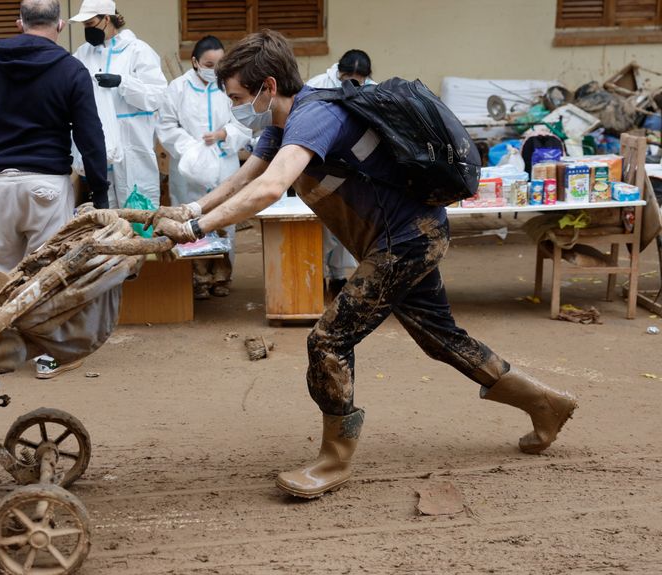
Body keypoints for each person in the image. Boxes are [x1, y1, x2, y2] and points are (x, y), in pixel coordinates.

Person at [153, 31, 578, 499]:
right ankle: (546, 404)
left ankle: (333, 460)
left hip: (406, 242)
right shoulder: (283, 118)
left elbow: (270, 189)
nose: (234, 105)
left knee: (329, 339)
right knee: (441, 338)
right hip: (404, 238)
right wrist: (193, 211)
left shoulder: (313, 116)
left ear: (267, 86)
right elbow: (248, 174)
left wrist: (197, 230)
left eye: (236, 96)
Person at [0, 0, 109, 379]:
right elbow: (90, 135)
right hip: (47, 185)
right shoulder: (71, 69)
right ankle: (49, 355)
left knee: (1, 270)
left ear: (20, 23)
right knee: (50, 271)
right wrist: (99, 191)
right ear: (59, 25)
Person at [156, 35, 251, 299]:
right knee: (190, 220)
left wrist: (223, 135)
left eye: (220, 64)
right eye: (210, 64)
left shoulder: (230, 85)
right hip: (188, 167)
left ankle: (222, 275)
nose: (215, 70)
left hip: (223, 163)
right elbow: (165, 126)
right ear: (196, 62)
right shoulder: (177, 88)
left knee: (224, 217)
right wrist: (192, 148)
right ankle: (198, 277)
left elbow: (243, 121)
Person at [70, 0, 168, 208]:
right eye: (84, 25)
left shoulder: (137, 51)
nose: (87, 30)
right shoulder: (82, 54)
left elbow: (157, 96)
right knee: (106, 216)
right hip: (99, 147)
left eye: (90, 23)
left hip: (133, 147)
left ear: (107, 19)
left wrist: (123, 82)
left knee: (139, 213)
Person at [306, 49, 376, 297]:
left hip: (358, 167)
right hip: (325, 164)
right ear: (339, 73)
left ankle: (343, 278)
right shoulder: (317, 86)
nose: (353, 83)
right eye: (347, 77)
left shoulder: (373, 91)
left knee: (351, 224)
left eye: (359, 79)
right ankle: (320, 276)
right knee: (327, 223)